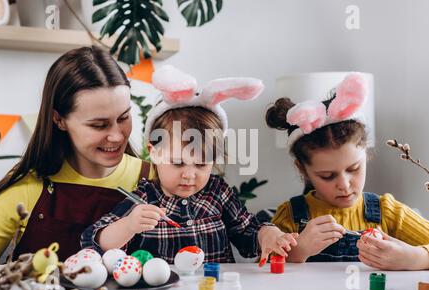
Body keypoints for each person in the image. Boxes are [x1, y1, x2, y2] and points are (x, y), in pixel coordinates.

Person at [81, 65, 298, 263]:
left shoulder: (218, 193)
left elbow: (248, 233)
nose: (189, 174)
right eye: (177, 163)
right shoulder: (145, 199)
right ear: (154, 153)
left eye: (201, 164)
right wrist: (128, 226)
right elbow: (92, 241)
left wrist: (267, 234)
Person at [0, 46, 151, 261]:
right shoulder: (29, 186)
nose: (117, 136)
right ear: (59, 119)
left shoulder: (156, 180)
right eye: (99, 125)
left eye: (124, 117)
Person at [267, 73, 429, 270]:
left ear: (366, 155)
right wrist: (298, 250)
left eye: (354, 168)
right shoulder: (290, 215)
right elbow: (264, 267)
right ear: (303, 170)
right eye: (327, 176)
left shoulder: (388, 212)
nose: (344, 185)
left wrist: (414, 258)